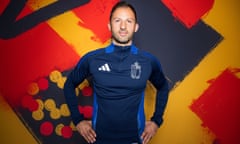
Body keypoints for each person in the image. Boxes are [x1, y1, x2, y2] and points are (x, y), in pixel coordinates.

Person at [63, 1, 169, 144]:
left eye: (129, 21)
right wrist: (78, 120)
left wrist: (156, 121)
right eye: (117, 20)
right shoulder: (92, 59)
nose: (123, 26)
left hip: (134, 140)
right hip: (99, 140)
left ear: (136, 27)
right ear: (109, 26)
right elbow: (69, 84)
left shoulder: (148, 61)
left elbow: (163, 86)